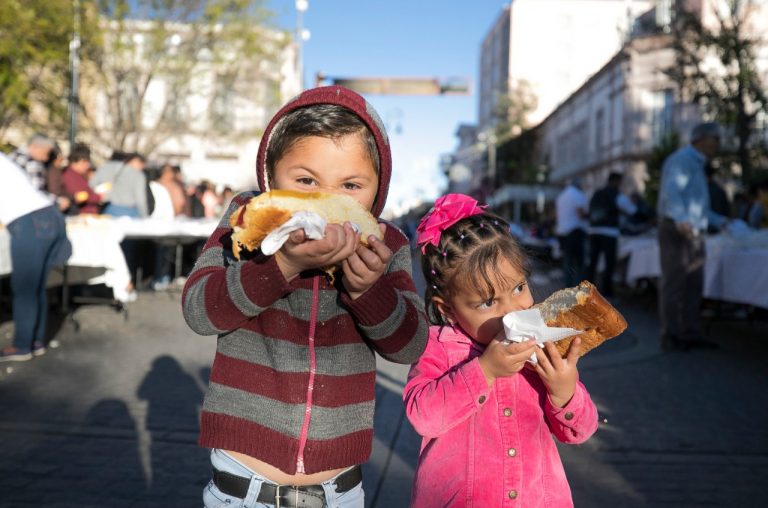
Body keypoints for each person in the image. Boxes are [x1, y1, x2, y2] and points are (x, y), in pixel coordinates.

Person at [181, 85, 428, 508]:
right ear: (270, 175)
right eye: (306, 181)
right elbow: (199, 310)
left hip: (339, 490)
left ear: (378, 189)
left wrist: (368, 290)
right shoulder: (248, 218)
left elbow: (410, 345)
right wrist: (281, 265)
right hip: (242, 484)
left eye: (350, 185)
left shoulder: (386, 243)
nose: (326, 200)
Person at [404, 193, 598, 507]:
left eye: (519, 288)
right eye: (487, 303)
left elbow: (580, 431)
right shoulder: (437, 347)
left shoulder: (542, 344)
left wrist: (565, 392)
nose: (511, 310)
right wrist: (485, 370)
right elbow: (423, 417)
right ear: (448, 309)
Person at [657, 122, 729, 351]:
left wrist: (721, 221)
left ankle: (690, 332)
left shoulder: (696, 163)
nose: (718, 143)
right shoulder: (684, 160)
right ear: (701, 138)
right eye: (716, 138)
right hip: (679, 229)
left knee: (693, 284)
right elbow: (672, 192)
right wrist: (682, 220)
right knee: (675, 283)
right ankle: (672, 334)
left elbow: (697, 207)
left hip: (691, 229)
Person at [0, 152, 72, 361]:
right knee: (35, 286)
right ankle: (35, 341)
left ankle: (22, 346)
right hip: (48, 216)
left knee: (24, 287)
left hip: (30, 221)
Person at [586, 172, 637, 297]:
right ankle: (607, 292)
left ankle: (587, 292)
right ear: (616, 181)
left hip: (593, 231)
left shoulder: (597, 193)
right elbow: (631, 210)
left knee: (592, 262)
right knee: (609, 263)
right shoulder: (616, 194)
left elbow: (589, 209)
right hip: (609, 232)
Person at [555, 178, 588, 287]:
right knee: (579, 263)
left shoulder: (561, 196)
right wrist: (592, 215)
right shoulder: (578, 195)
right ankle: (578, 288)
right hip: (574, 232)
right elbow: (580, 214)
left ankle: (568, 286)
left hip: (562, 233)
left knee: (567, 262)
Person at [61, 144, 103, 215]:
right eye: (84, 162)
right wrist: (98, 197)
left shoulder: (78, 175)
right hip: (81, 215)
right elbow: (79, 196)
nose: (87, 165)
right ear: (76, 161)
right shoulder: (69, 176)